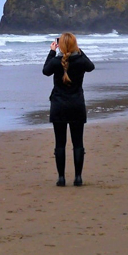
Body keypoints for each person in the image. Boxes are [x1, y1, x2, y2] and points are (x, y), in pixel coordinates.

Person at [43, 32, 95, 187]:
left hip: (59, 105)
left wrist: (52, 51)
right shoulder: (80, 61)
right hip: (76, 104)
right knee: (78, 142)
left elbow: (45, 71)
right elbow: (91, 66)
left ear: (61, 45)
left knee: (60, 143)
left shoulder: (56, 61)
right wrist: (79, 50)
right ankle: (78, 178)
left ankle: (61, 178)